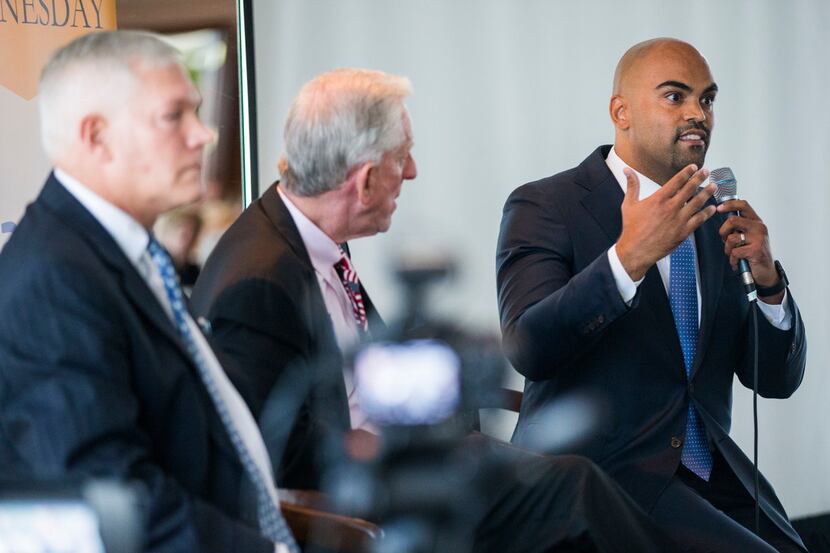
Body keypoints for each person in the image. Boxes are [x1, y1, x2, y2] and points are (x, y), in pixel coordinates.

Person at [190, 68, 677, 552]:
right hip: (362, 504)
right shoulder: (259, 278)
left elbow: (363, 382)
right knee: (573, 491)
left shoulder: (313, 242)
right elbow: (275, 456)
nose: (412, 171)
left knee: (573, 480)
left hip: (408, 467)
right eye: (402, 157)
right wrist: (399, 454)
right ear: (363, 182)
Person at [496, 38, 806, 552]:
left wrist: (769, 283)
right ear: (621, 111)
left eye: (707, 100)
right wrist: (627, 259)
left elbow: (774, 380)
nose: (697, 114)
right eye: (674, 96)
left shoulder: (715, 219)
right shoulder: (547, 204)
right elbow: (529, 347)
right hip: (605, 482)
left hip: (714, 478)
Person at [0, 31, 297, 553]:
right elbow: (113, 499)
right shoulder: (54, 280)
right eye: (174, 116)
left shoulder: (123, 254)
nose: (203, 135)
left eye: (197, 113)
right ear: (96, 136)